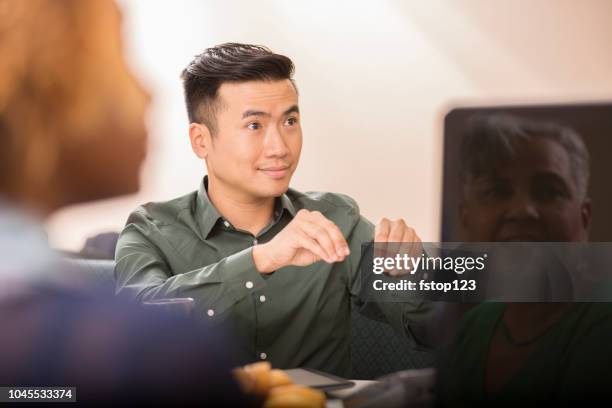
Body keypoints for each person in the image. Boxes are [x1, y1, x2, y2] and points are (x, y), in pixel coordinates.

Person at [115, 43, 432, 377]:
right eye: (255, 125)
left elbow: (438, 330)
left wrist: (413, 272)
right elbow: (137, 327)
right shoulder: (149, 229)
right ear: (201, 140)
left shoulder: (337, 219)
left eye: (290, 121)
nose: (280, 147)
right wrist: (261, 261)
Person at [0, 0, 244, 403]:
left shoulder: (342, 223)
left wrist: (388, 266)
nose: (148, 93)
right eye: (120, 56)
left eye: (289, 121)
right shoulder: (143, 347)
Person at [437, 114, 612, 405]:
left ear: (584, 220)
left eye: (548, 191)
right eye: (497, 191)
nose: (522, 210)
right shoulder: (475, 326)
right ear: (466, 219)